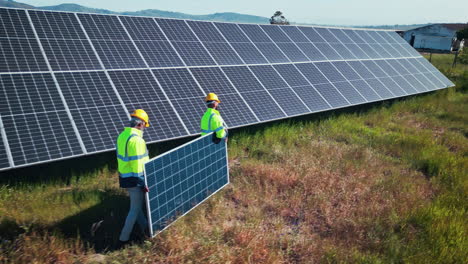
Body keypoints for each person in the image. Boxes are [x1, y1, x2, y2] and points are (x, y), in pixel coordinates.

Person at [116, 109, 150, 245]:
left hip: (124, 177)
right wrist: (142, 183)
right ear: (140, 124)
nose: (144, 129)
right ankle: (123, 239)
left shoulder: (122, 135)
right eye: (145, 126)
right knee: (135, 209)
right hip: (135, 179)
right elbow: (137, 166)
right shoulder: (137, 141)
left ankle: (145, 228)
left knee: (136, 206)